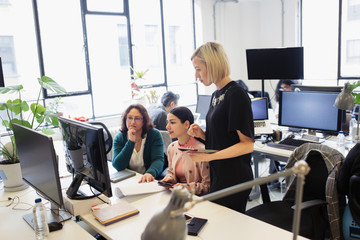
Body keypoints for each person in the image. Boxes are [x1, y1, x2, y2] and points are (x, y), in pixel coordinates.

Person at [187, 42, 255, 213]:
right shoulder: (216, 95)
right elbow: (224, 138)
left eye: (199, 69)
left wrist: (209, 157)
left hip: (235, 176)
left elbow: (247, 144)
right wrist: (202, 134)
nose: (196, 75)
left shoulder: (236, 94)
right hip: (219, 174)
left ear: (212, 64)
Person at [160, 106, 210, 196]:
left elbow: (207, 186)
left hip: (195, 200)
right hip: (176, 196)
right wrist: (169, 178)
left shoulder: (201, 151)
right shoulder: (171, 147)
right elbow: (171, 172)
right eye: (168, 122)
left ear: (186, 124)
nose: (167, 127)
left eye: (172, 122)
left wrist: (185, 187)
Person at [112, 104, 164, 183]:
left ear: (144, 121)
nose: (132, 122)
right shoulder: (120, 138)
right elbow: (118, 166)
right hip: (129, 180)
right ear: (125, 119)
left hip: (148, 180)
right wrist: (131, 142)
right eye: (129, 118)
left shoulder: (154, 135)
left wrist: (150, 173)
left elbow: (158, 160)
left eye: (137, 118)